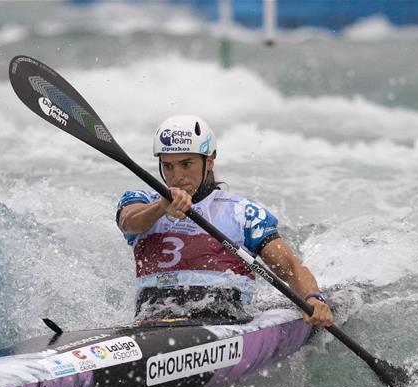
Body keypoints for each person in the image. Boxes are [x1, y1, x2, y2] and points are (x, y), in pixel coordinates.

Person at [116, 114, 333, 328]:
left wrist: (313, 298)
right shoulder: (144, 202)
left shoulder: (243, 212)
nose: (176, 176)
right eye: (168, 166)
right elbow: (128, 221)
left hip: (226, 325)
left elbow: (290, 268)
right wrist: (161, 207)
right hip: (151, 324)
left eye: (186, 164)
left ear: (209, 160)